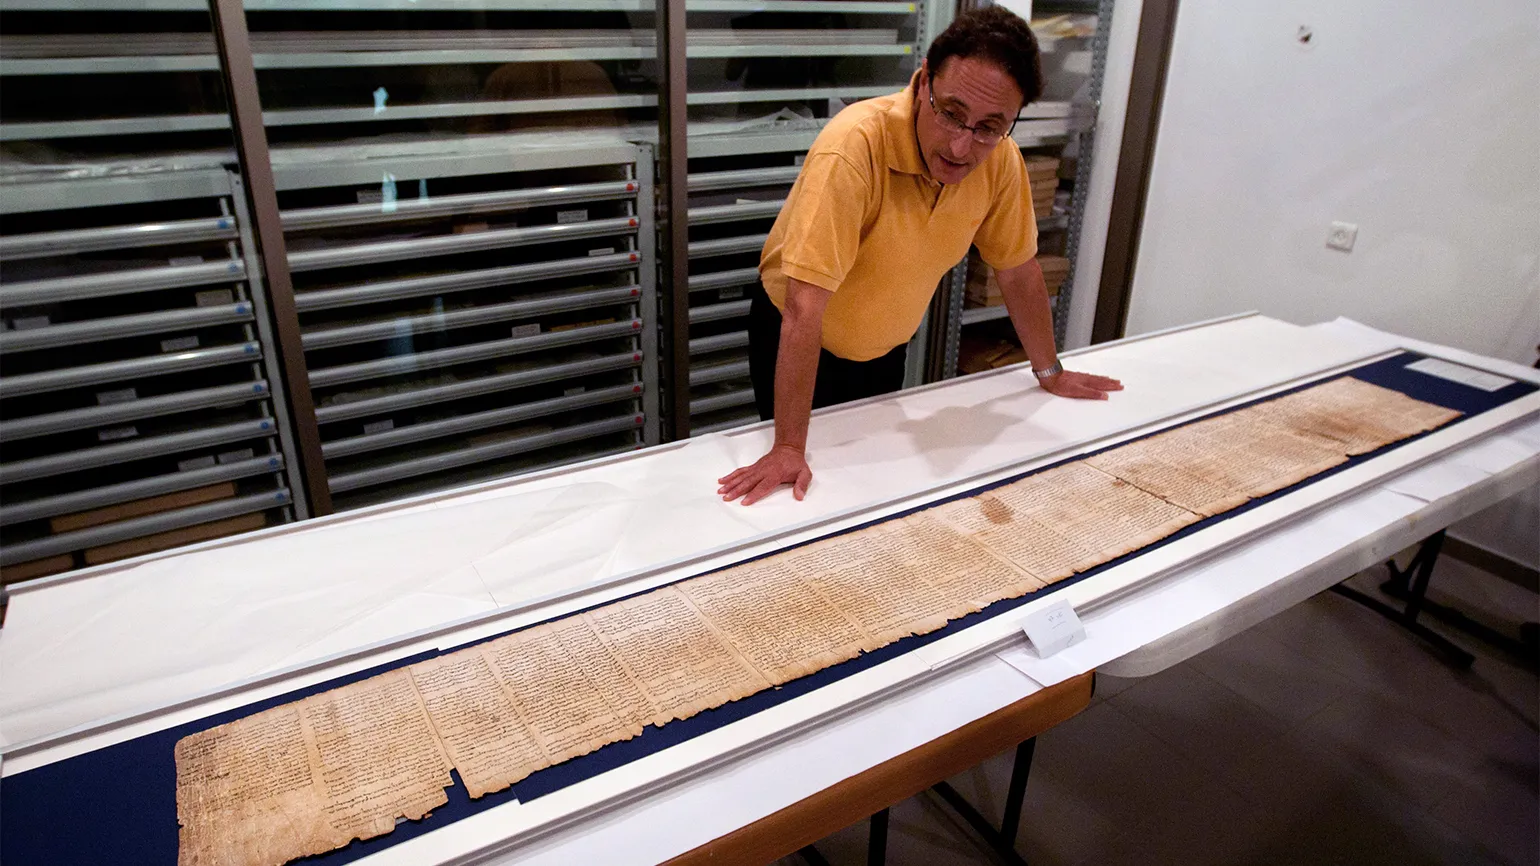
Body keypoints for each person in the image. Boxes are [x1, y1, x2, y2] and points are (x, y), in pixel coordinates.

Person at [717, 7, 1123, 506]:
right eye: (951, 113)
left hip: (886, 343)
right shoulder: (854, 148)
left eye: (988, 127)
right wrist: (786, 446)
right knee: (801, 492)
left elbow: (1017, 271)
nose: (961, 145)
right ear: (925, 79)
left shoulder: (1001, 163)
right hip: (801, 335)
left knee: (869, 486)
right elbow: (804, 306)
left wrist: (1050, 372)